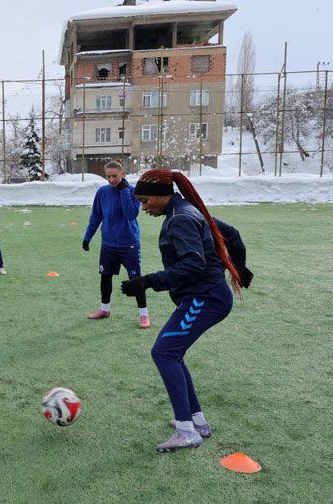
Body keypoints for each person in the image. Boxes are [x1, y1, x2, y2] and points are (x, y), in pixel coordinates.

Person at [121, 168, 250, 453]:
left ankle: (186, 431)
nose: (143, 208)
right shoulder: (186, 209)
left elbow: (193, 265)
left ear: (161, 196)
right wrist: (240, 267)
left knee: (164, 352)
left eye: (145, 201)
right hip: (206, 295)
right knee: (172, 353)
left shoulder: (180, 218)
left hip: (206, 297)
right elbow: (231, 233)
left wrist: (147, 282)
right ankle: (197, 422)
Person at [82, 160, 150, 328]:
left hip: (129, 245)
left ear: (122, 174)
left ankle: (144, 314)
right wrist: (87, 237)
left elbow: (130, 215)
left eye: (115, 176)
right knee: (105, 277)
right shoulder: (102, 192)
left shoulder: (132, 192)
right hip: (108, 245)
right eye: (108, 176)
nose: (111, 180)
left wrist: (124, 191)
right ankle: (104, 309)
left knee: (135, 279)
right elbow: (96, 216)